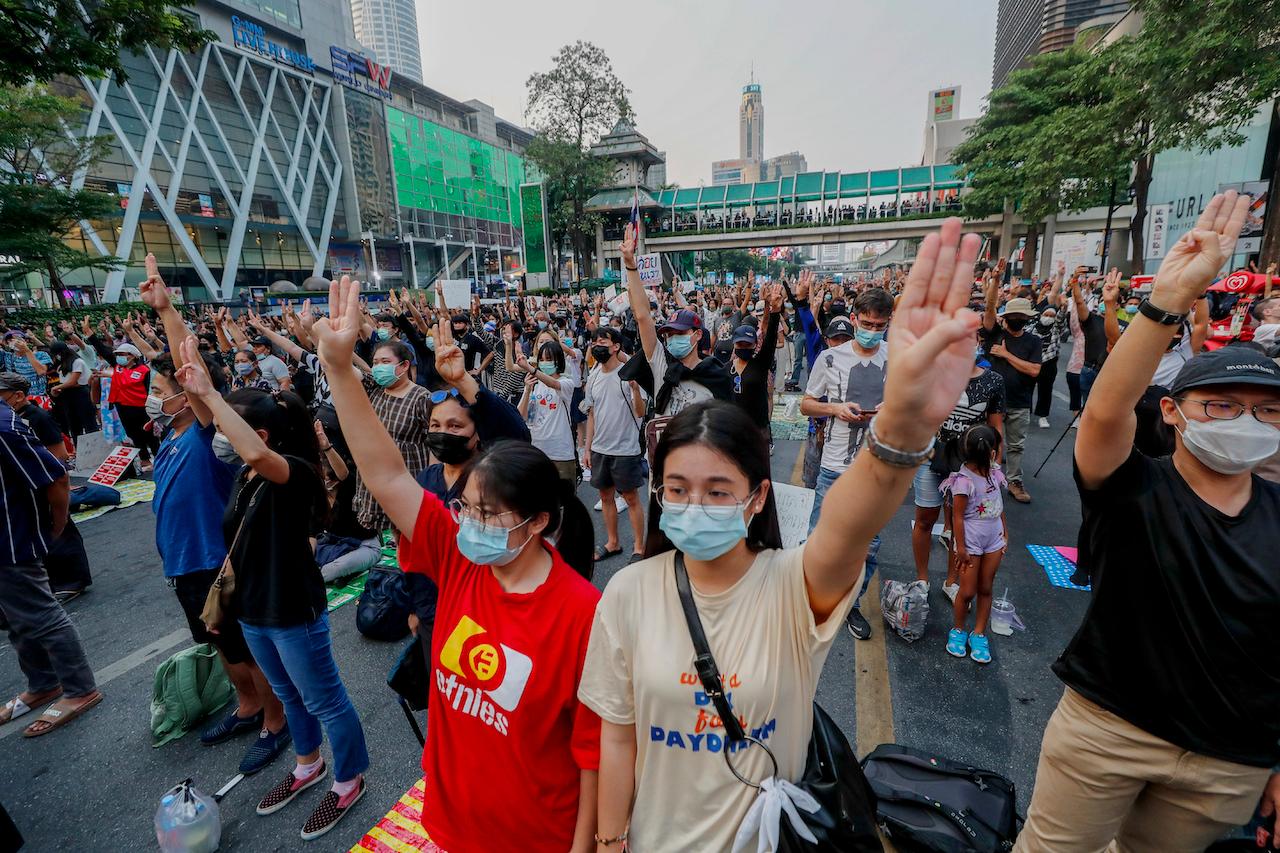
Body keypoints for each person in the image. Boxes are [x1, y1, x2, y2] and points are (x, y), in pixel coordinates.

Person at [581, 218, 988, 851]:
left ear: (757, 497)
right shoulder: (627, 593)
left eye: (718, 491)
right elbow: (617, 732)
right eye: (678, 490)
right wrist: (608, 842)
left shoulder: (794, 586)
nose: (694, 506)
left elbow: (849, 525)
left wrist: (903, 428)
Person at [1016, 191, 1280, 852]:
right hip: (1109, 730)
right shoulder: (1130, 486)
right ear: (1170, 412)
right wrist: (1166, 301)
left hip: (1228, 760)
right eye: (1221, 405)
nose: (1245, 422)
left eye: (1266, 411)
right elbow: (1105, 413)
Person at [313, 278, 602, 852]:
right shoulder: (458, 555)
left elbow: (593, 752)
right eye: (466, 509)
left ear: (540, 520)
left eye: (489, 515)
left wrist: (588, 845)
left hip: (537, 835)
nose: (470, 525)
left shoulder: (584, 613)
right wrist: (342, 372)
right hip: (450, 822)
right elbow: (388, 474)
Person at [173, 340, 369, 841]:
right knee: (285, 693)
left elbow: (254, 448)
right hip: (254, 610)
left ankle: (349, 779)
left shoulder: (292, 472)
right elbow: (214, 420)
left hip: (292, 609)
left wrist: (215, 396)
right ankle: (308, 765)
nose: (218, 437)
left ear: (257, 434)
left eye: (226, 429)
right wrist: (177, 331)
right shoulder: (244, 474)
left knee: (324, 698)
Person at [0, 397, 102, 737]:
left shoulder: (3, 426)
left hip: (10, 541)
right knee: (15, 619)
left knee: (41, 615)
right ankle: (44, 683)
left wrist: (58, 525)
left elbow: (55, 476)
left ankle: (79, 688)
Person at [801, 288, 893, 640]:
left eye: (879, 325)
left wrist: (894, 408)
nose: (871, 329)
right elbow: (807, 404)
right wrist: (835, 409)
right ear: (854, 319)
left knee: (867, 545)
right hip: (834, 464)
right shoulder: (829, 358)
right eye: (866, 323)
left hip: (878, 466)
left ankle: (850, 603)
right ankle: (811, 601)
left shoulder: (897, 356)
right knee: (820, 536)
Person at [910, 350, 1005, 599]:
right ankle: (922, 579)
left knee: (959, 525)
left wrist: (993, 467)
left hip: (970, 465)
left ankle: (952, 582)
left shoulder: (993, 381)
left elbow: (996, 427)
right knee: (925, 519)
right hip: (930, 456)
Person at [620, 224, 731, 415]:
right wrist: (631, 265)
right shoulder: (661, 364)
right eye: (669, 334)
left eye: (679, 333)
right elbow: (643, 317)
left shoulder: (716, 375)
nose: (672, 338)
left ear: (697, 335)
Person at [941, 425, 1008, 665]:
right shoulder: (962, 481)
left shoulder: (995, 474)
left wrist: (1004, 534)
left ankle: (979, 633)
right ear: (992, 452)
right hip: (971, 542)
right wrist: (961, 547)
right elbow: (957, 516)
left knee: (986, 588)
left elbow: (999, 506)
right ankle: (958, 630)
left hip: (993, 540)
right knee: (967, 591)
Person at [354, 339, 432, 532]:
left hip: (407, 477)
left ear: (404, 365)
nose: (379, 367)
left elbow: (434, 444)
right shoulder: (376, 391)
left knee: (407, 531)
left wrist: (432, 483)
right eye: (375, 362)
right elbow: (343, 369)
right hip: (375, 475)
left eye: (385, 362)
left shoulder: (421, 398)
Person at [583, 327, 647, 563]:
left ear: (616, 346)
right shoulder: (594, 376)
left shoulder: (628, 374)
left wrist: (635, 390)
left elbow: (640, 412)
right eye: (594, 341)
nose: (597, 345)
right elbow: (591, 414)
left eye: (603, 340)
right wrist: (588, 448)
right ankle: (613, 542)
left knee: (631, 499)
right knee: (606, 496)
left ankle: (639, 547)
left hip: (625, 449)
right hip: (600, 450)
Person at [980, 289, 1041, 503]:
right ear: (1005, 318)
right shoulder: (995, 334)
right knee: (989, 442)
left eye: (1021, 317)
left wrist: (1006, 355)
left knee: (1016, 445)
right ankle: (986, 478)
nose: (1017, 320)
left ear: (1026, 319)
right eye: (1013, 316)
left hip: (1019, 401)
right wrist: (995, 281)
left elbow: (1034, 370)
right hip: (991, 401)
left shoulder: (1033, 342)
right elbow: (988, 310)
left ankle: (1014, 481)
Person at [518, 340, 578, 482]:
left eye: (549, 359)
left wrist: (531, 369)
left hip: (560, 452)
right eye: (542, 359)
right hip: (536, 450)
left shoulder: (566, 383)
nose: (545, 363)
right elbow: (521, 415)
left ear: (559, 361)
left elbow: (553, 383)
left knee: (563, 501)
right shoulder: (534, 385)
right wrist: (527, 390)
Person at [729, 283, 783, 436]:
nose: (743, 347)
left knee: (769, 397)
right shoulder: (728, 368)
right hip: (735, 431)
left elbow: (770, 331)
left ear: (754, 343)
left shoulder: (760, 364)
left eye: (747, 344)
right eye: (740, 343)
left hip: (757, 430)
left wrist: (773, 308)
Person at [104, 342, 158, 467]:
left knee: (148, 433)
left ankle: (160, 457)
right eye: (117, 355)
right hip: (122, 406)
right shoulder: (118, 367)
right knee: (133, 434)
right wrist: (90, 334)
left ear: (132, 356)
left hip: (140, 407)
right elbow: (104, 352)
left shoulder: (144, 370)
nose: (119, 357)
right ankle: (144, 459)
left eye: (122, 354)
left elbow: (148, 388)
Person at [45, 341, 97, 446]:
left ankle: (94, 448)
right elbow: (65, 383)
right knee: (74, 424)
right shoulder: (61, 366)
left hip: (82, 394)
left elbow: (73, 381)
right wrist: (58, 390)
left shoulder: (77, 362)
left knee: (89, 423)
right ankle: (79, 449)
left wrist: (56, 387)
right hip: (67, 396)